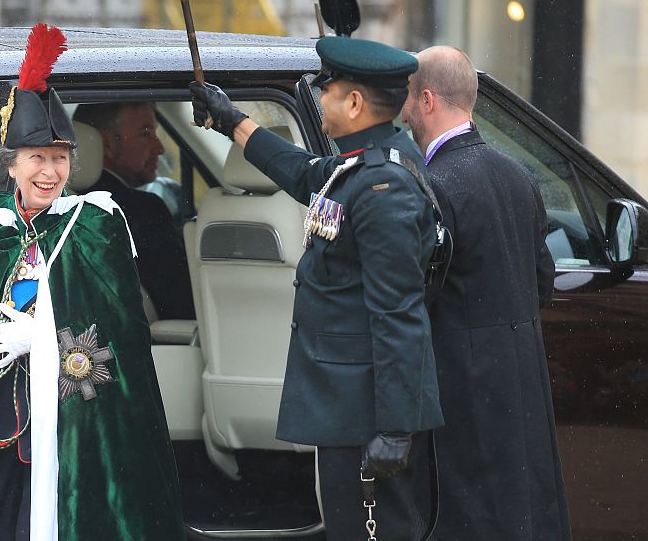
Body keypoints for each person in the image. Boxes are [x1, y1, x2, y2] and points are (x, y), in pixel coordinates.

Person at [0, 24, 185, 541]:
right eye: (37, 158)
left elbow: (124, 339)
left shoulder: (96, 226)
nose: (49, 171)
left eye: (59, 158)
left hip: (73, 433)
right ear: (12, 166)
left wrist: (48, 343)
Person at [190, 36, 443, 541]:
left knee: (374, 531)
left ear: (353, 103)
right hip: (346, 408)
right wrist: (231, 120)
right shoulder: (361, 166)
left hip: (366, 415)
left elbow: (398, 315)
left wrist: (395, 427)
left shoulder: (383, 189)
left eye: (326, 91)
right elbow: (304, 174)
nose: (320, 100)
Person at [401, 45, 571, 540]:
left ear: (427, 99)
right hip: (522, 380)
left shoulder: (432, 187)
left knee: (469, 517)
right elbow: (543, 281)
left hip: (461, 384)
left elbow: (415, 297)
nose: (406, 110)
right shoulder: (519, 176)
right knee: (521, 512)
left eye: (409, 98)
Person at [72, 102, 195, 320]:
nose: (160, 148)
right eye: (145, 134)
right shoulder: (143, 209)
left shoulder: (57, 210)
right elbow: (181, 307)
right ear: (107, 144)